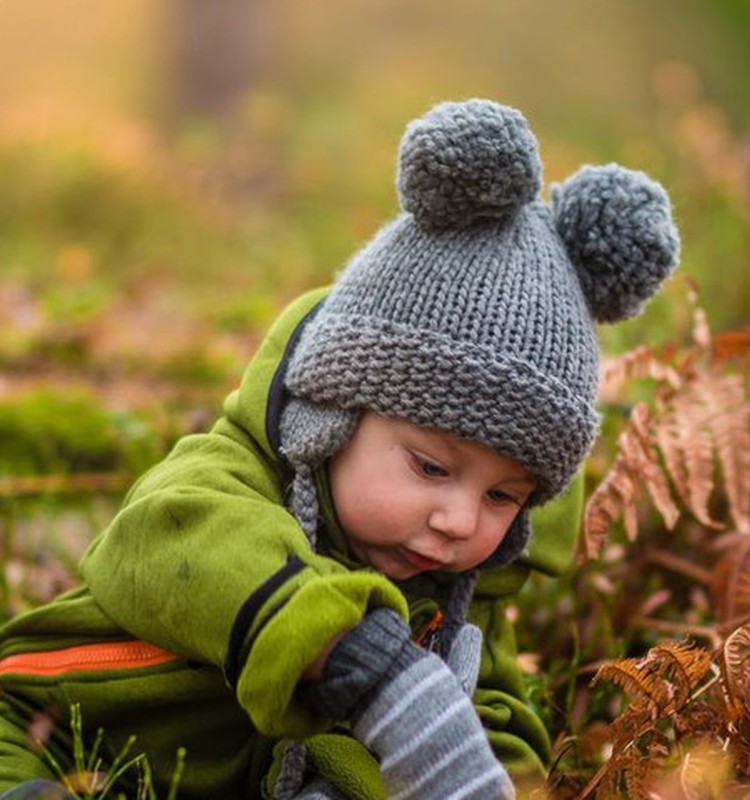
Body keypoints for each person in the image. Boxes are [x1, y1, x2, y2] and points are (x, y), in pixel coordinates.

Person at [0, 98, 679, 800]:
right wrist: (359, 657)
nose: (459, 519)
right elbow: (169, 540)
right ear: (333, 416)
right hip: (41, 722)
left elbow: (493, 720)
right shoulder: (229, 476)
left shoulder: (460, 592)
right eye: (431, 467)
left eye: (501, 495)